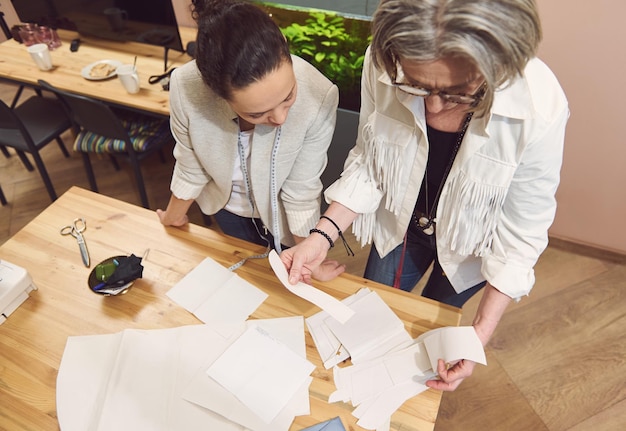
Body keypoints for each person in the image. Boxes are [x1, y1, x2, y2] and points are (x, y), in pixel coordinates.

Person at [280, 0, 569, 391]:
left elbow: (523, 229)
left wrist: (479, 334)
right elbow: (369, 161)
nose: (432, 107)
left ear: (498, 67)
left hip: (469, 245)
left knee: (439, 325)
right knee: (371, 314)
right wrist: (321, 237)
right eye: (415, 85)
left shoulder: (540, 106)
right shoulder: (386, 60)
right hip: (400, 225)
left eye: (458, 92)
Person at [157, 0, 343, 278]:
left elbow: (301, 190)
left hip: (283, 217)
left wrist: (308, 258)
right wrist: (173, 216)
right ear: (216, 92)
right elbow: (190, 163)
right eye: (258, 113)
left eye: (289, 96)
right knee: (247, 276)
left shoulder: (319, 95)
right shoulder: (186, 86)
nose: (280, 118)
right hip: (226, 207)